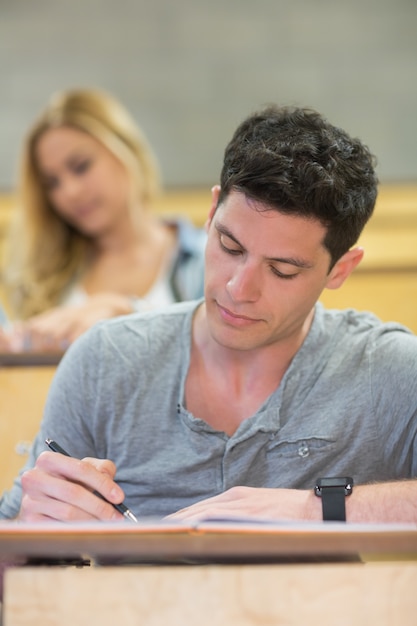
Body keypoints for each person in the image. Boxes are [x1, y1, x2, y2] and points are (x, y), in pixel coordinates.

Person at [1, 104, 416, 524]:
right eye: (230, 247)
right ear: (212, 211)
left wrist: (315, 508)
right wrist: (28, 536)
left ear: (340, 269)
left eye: (282, 270)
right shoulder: (104, 362)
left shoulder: (383, 369)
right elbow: (9, 552)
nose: (238, 289)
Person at [0, 88, 206, 352]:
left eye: (81, 166)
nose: (70, 192)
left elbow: (224, 355)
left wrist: (126, 310)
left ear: (124, 149)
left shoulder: (206, 259)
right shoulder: (42, 278)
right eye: (52, 183)